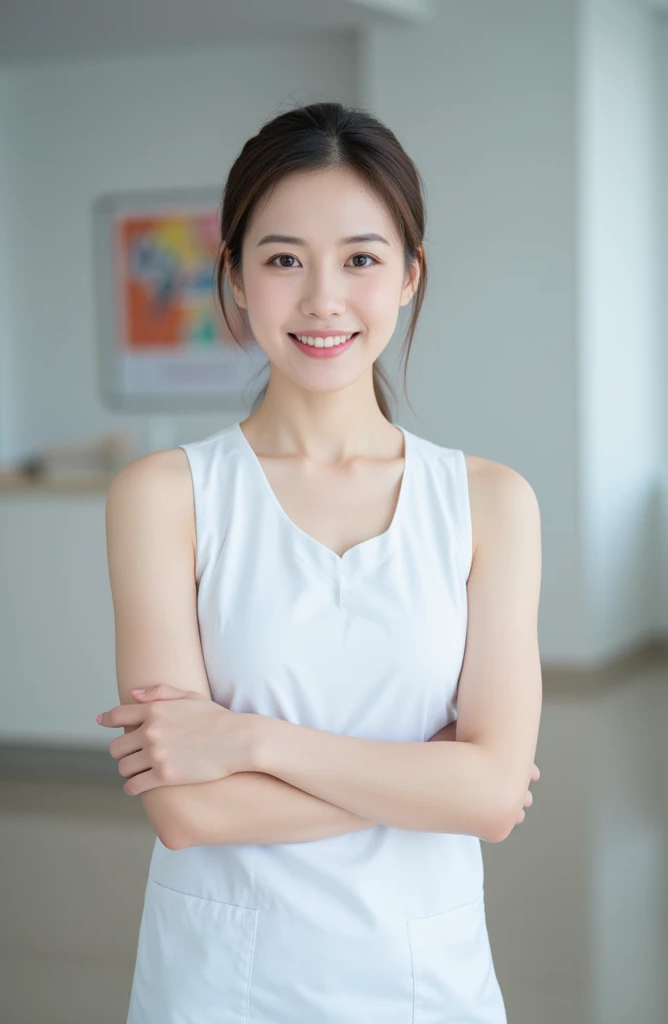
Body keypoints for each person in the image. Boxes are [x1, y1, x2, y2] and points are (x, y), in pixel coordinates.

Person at [101, 101, 542, 1024]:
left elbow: (496, 798)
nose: (323, 299)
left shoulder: (490, 503)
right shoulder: (165, 495)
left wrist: (251, 743)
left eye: (362, 259)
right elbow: (190, 814)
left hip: (426, 980)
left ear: (411, 275)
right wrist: (434, 783)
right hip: (221, 985)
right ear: (234, 276)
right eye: (283, 259)